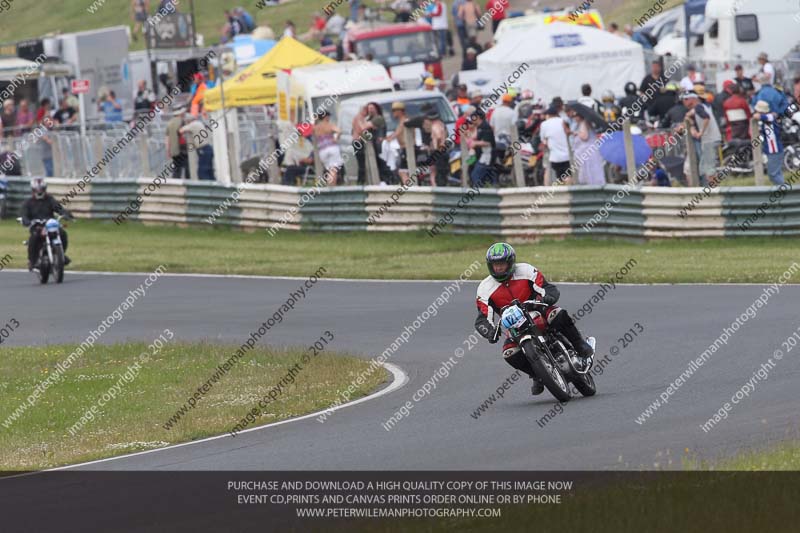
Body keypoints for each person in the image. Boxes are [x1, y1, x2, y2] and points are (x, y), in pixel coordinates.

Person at [474, 243, 595, 396]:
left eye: (502, 264)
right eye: (495, 265)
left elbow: (547, 287)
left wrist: (548, 297)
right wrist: (490, 332)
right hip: (515, 327)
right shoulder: (484, 288)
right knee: (509, 353)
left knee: (557, 314)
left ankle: (580, 345)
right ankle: (537, 375)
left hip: (539, 310)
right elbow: (482, 319)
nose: (498, 268)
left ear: (511, 262)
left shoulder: (525, 270)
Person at [21, 178, 72, 271]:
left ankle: (61, 255)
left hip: (50, 225)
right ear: (33, 190)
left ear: (45, 189)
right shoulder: (27, 202)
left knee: (62, 233)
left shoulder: (50, 199)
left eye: (41, 189)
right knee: (34, 237)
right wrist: (27, 221)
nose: (39, 191)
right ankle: (33, 261)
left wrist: (66, 214)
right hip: (36, 226)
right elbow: (24, 216)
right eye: (37, 189)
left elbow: (59, 208)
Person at [682, 91, 721, 187]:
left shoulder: (698, 107)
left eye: (685, 99)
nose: (684, 102)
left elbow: (706, 118)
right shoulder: (703, 106)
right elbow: (689, 116)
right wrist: (690, 124)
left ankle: (714, 192)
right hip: (712, 139)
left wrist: (701, 132)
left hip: (709, 139)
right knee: (704, 168)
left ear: (692, 99)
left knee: (709, 170)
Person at [567, 104, 604, 185]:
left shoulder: (583, 123)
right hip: (590, 152)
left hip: (587, 152)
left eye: (575, 116)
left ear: (579, 116)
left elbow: (585, 137)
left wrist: (575, 133)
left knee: (589, 171)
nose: (574, 118)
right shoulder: (586, 123)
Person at [754, 100, 785, 185]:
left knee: (773, 175)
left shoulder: (770, 117)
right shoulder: (769, 117)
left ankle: (786, 192)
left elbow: (759, 116)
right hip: (774, 151)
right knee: (777, 174)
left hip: (774, 151)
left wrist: (757, 115)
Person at [539, 106, 571, 185]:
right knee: (568, 175)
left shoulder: (544, 124)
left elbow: (543, 140)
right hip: (568, 156)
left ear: (548, 115)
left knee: (559, 176)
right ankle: (570, 191)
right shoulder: (564, 121)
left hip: (555, 158)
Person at [314, 110, 343, 186]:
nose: (329, 118)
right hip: (332, 147)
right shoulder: (329, 125)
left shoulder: (316, 127)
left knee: (328, 169)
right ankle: (332, 188)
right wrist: (336, 138)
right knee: (333, 169)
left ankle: (329, 186)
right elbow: (339, 131)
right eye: (328, 116)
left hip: (322, 150)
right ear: (326, 117)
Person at [467, 110, 494, 187]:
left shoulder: (485, 126)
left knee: (476, 175)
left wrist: (475, 143)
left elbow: (488, 142)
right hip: (480, 155)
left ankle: (480, 194)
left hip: (487, 156)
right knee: (477, 175)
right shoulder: (480, 127)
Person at [386, 101, 410, 185]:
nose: (393, 113)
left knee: (402, 172)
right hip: (404, 149)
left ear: (399, 111)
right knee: (404, 171)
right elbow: (395, 132)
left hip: (407, 149)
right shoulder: (401, 121)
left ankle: (409, 190)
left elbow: (397, 133)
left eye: (394, 111)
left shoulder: (404, 121)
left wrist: (388, 139)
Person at [166, 107, 189, 179]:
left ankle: (175, 184)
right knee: (187, 167)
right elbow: (184, 134)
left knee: (176, 169)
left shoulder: (169, 123)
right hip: (182, 148)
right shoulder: (182, 121)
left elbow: (167, 138)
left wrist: (168, 150)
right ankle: (188, 183)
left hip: (173, 150)